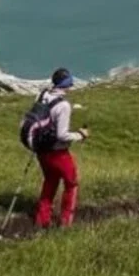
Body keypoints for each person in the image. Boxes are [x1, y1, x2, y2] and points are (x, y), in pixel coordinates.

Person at [34, 68, 89, 228]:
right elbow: (62, 135)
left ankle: (42, 219)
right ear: (67, 84)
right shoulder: (63, 105)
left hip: (41, 149)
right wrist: (81, 135)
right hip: (58, 152)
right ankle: (66, 222)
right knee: (71, 184)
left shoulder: (42, 95)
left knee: (50, 181)